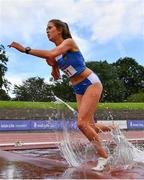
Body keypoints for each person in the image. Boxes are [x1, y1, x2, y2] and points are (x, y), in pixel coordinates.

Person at [8, 19, 115, 171]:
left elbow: (51, 54)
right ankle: (114, 128)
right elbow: (54, 64)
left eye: (50, 28)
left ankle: (104, 157)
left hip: (91, 82)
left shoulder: (69, 42)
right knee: (90, 126)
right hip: (78, 88)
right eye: (46, 29)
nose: (47, 31)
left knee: (81, 124)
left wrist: (24, 50)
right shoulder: (55, 56)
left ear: (59, 30)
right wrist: (54, 70)